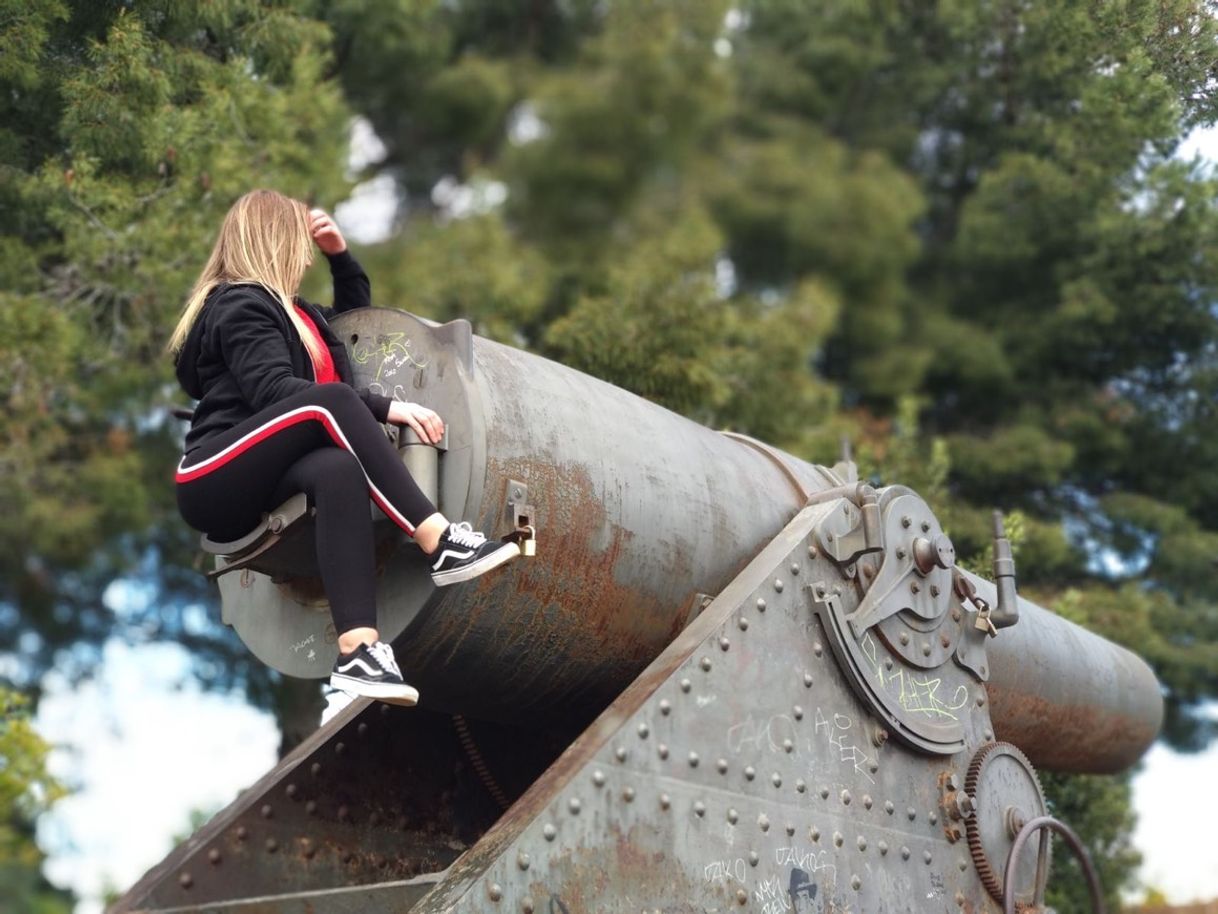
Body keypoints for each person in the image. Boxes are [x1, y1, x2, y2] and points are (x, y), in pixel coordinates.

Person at [168, 189, 517, 706]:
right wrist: (385, 408)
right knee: (329, 403)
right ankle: (439, 541)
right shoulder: (240, 304)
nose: (307, 254)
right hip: (214, 472)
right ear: (278, 240)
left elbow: (357, 324)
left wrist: (341, 255)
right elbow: (276, 393)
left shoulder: (298, 314)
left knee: (337, 471)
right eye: (304, 243)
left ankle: (358, 650)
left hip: (266, 470)